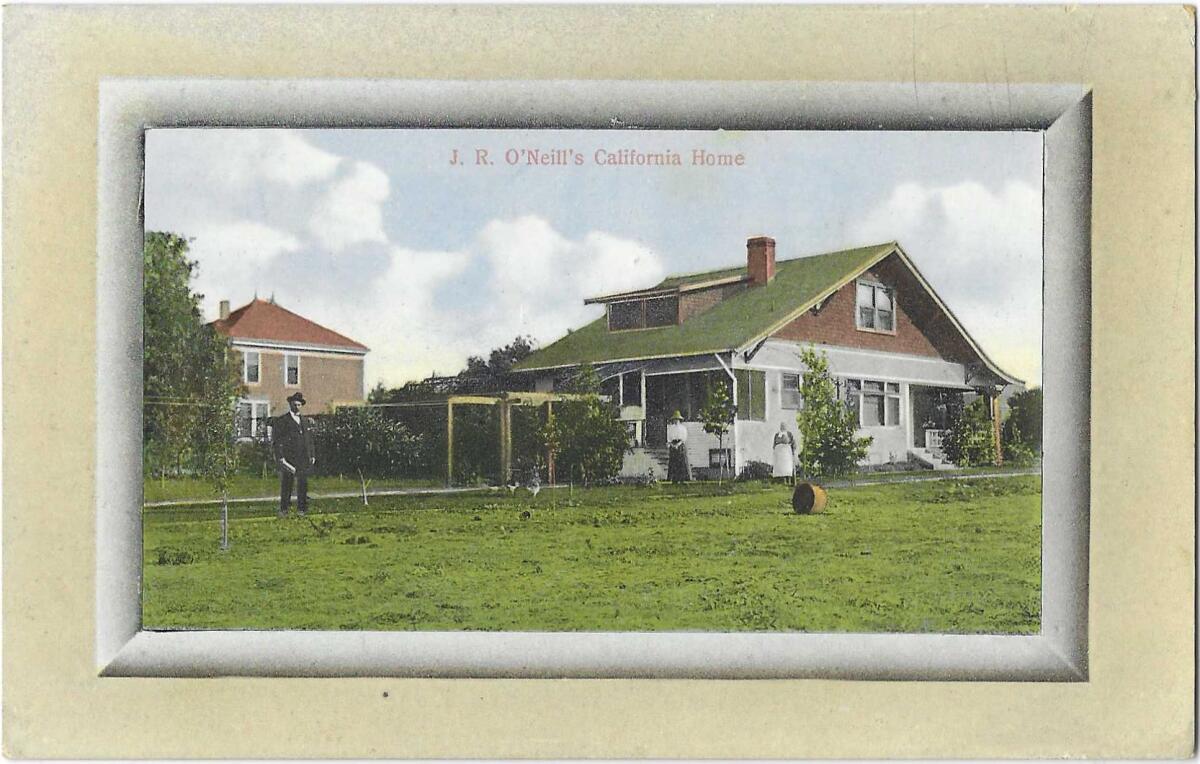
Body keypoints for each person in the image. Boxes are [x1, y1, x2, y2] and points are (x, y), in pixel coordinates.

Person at [273, 391, 315, 518]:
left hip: (303, 458)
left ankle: (302, 510)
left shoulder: (305, 421)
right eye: (294, 404)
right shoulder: (283, 421)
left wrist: (312, 454)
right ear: (290, 404)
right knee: (287, 484)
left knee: (303, 484)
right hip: (289, 457)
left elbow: (309, 439)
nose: (297, 407)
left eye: (299, 405)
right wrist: (281, 457)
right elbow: (278, 441)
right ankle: (284, 510)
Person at [666, 410, 691, 483]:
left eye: (677, 419)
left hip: (680, 445)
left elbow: (684, 438)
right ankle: (674, 479)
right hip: (673, 445)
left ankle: (682, 479)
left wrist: (678, 444)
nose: (676, 421)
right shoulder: (671, 428)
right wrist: (672, 445)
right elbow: (669, 438)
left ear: (679, 420)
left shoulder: (683, 428)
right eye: (674, 419)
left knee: (681, 462)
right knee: (674, 462)